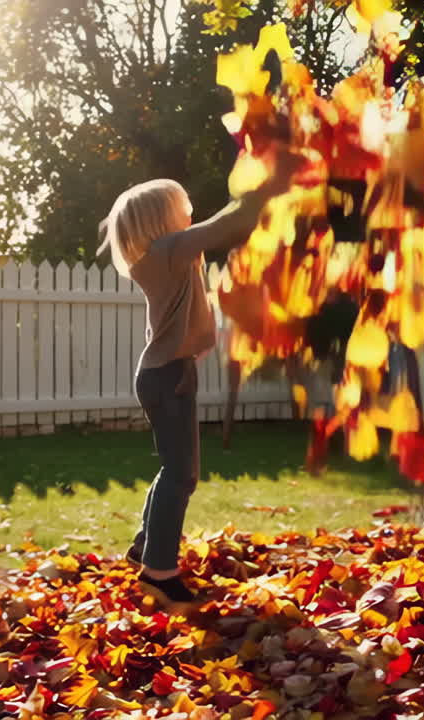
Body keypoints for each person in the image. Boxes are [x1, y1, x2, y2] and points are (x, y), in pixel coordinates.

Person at [97, 154, 302, 609]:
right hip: (166, 376)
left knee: (176, 470)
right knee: (180, 473)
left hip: (169, 372)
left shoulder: (168, 257)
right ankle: (159, 572)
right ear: (161, 221)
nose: (190, 213)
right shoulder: (167, 252)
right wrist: (266, 188)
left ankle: (145, 547)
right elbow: (225, 224)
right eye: (181, 207)